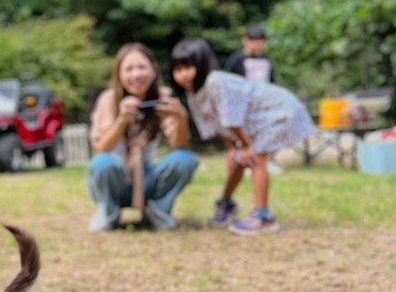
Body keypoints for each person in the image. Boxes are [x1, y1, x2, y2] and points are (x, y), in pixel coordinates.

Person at [170, 37, 315, 235]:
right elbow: (215, 125)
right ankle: (226, 203)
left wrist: (247, 147)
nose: (183, 74)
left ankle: (263, 216)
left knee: (257, 158)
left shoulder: (216, 82)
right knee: (238, 160)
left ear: (202, 64)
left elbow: (232, 119)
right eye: (178, 70)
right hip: (254, 123)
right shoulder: (194, 94)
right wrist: (233, 148)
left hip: (279, 111)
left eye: (188, 67)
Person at [86, 43, 198, 232]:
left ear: (153, 70)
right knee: (101, 163)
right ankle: (108, 212)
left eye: (142, 67)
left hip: (147, 178)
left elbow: (179, 144)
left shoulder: (164, 97)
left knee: (186, 159)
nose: (136, 75)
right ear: (119, 75)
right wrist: (122, 121)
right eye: (129, 69)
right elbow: (101, 147)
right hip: (117, 179)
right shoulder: (109, 99)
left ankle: (157, 210)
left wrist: (181, 117)